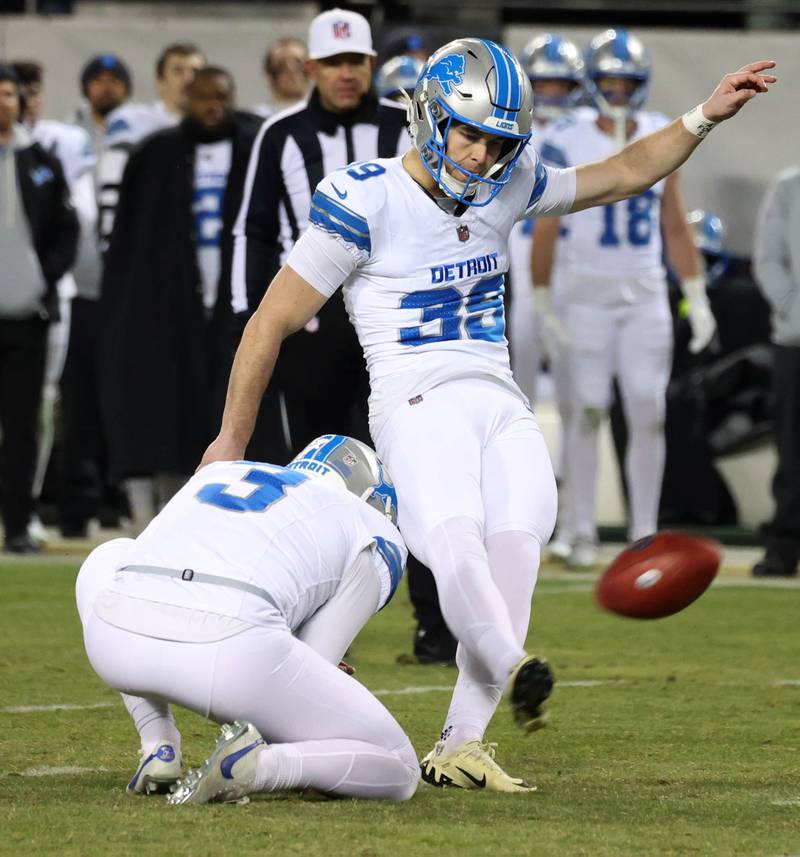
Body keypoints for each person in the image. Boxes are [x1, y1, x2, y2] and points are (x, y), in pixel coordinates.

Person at [200, 38, 775, 789]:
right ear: (431, 118)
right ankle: (514, 663)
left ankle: (461, 742)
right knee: (455, 542)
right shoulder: (364, 196)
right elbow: (268, 323)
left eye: (498, 140)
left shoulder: (510, 182)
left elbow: (627, 170)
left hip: (499, 398)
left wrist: (703, 116)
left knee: (520, 547)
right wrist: (231, 437)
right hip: (415, 397)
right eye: (468, 132)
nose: (479, 153)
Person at [75, 435, 418, 803]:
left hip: (114, 636)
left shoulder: (223, 472)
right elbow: (317, 656)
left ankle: (158, 742)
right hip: (231, 657)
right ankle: (261, 767)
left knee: (110, 553)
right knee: (400, 766)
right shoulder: (370, 525)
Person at [532, 30, 717, 567]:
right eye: (608, 80)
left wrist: (696, 294)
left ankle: (643, 531)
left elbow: (675, 224)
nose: (616, 90)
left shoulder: (661, 131)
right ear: (591, 83)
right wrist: (543, 302)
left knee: (648, 409)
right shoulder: (567, 135)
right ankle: (583, 528)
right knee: (587, 412)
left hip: (644, 296)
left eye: (626, 81)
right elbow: (546, 228)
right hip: (585, 294)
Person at [99, 67, 262, 532]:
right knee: (168, 412)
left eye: (222, 97)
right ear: (187, 99)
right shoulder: (157, 153)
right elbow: (131, 242)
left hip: (236, 307)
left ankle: (233, 524)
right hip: (172, 310)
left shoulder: (254, 149)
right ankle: (164, 525)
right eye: (203, 98)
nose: (213, 107)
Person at [11, 59, 97, 544]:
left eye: (27, 90)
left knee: (37, 406)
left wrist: (38, 274)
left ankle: (25, 505)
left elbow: (78, 215)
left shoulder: (57, 145)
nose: (20, 99)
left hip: (44, 295)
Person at [0, 65, 79, 553]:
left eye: (8, 93)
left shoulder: (41, 161)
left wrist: (41, 282)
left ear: (22, 100)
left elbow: (65, 233)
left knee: (23, 425)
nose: (3, 101)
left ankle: (17, 525)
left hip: (28, 316)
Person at [60, 55, 131, 538]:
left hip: (124, 294)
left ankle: (114, 495)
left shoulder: (137, 136)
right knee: (77, 403)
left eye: (113, 80)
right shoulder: (63, 138)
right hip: (80, 289)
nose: (105, 88)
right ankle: (74, 501)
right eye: (97, 80)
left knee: (119, 401)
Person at [98, 42, 204, 245]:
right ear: (159, 81)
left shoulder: (216, 129)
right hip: (149, 239)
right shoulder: (132, 122)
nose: (189, 79)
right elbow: (112, 189)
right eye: (178, 71)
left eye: (195, 71)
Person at [751, 166, 800, 578]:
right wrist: (794, 311)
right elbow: (768, 260)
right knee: (792, 447)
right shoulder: (788, 186)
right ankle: (784, 545)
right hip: (796, 341)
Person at [253, 37, 309, 119]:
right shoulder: (255, 118)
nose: (292, 70)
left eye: (298, 63)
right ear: (268, 75)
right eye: (282, 65)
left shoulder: (325, 116)